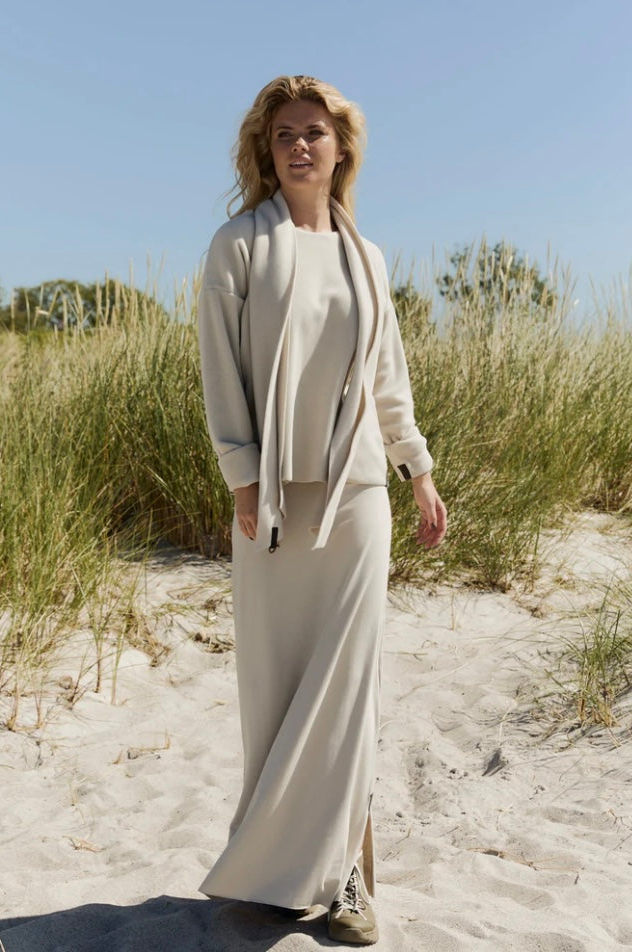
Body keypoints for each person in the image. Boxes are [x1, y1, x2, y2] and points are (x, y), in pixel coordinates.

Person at [197, 74, 447, 946]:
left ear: (341, 150)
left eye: (314, 132)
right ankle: (276, 875)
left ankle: (344, 880)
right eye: (283, 135)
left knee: (347, 691)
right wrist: (242, 476)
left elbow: (387, 376)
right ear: (265, 153)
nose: (299, 146)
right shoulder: (236, 246)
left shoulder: (366, 256)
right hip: (270, 499)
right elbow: (219, 369)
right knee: (274, 687)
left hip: (358, 496)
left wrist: (416, 469)